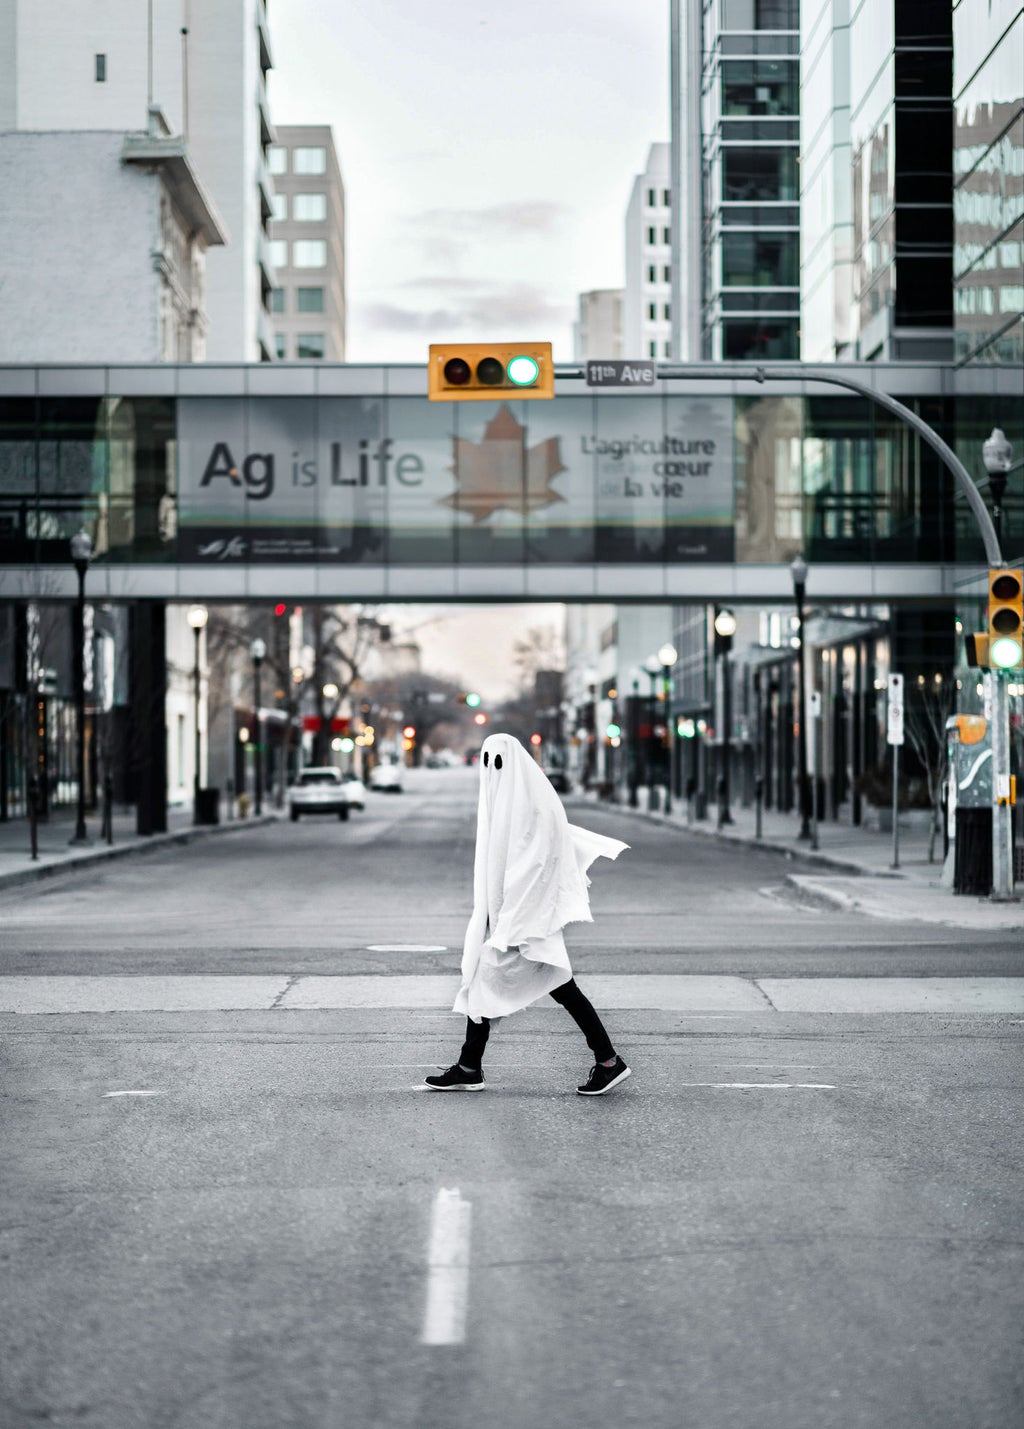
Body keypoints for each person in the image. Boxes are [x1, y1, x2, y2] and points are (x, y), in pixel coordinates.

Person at [424, 731, 631, 1096]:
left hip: (527, 921)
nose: (493, 770)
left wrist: (513, 923)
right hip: (510, 919)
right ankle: (471, 1066)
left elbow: (537, 864)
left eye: (498, 762)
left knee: (528, 984)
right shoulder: (509, 804)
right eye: (487, 763)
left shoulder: (534, 806)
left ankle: (608, 1061)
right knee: (498, 984)